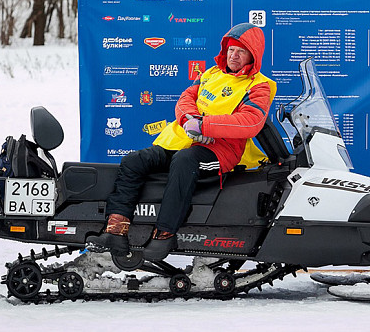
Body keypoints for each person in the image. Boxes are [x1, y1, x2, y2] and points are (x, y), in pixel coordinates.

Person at [87, 23, 277, 261]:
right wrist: (189, 119)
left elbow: (251, 121)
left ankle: (165, 233)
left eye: (241, 51)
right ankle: (116, 231)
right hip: (181, 140)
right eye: (230, 50)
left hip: (220, 151)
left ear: (253, 55)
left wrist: (205, 125)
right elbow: (187, 97)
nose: (233, 55)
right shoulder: (210, 73)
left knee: (184, 161)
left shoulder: (259, 85)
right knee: (135, 160)